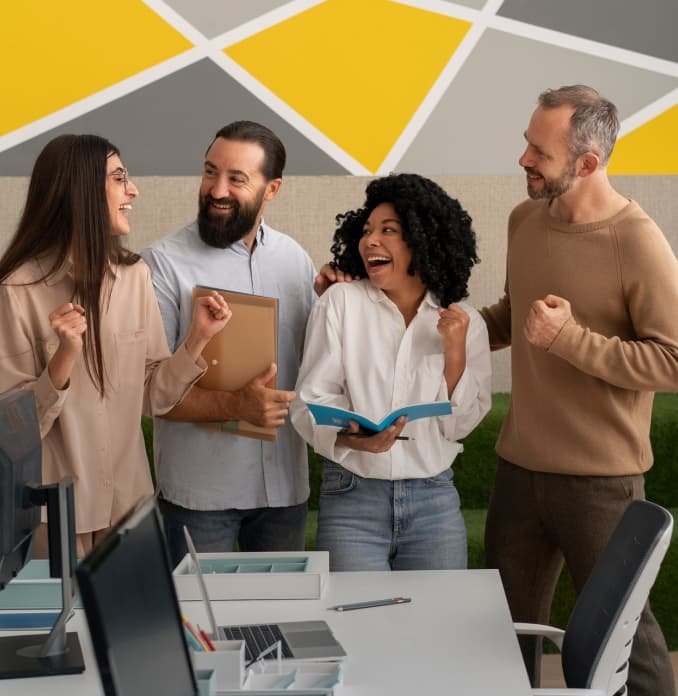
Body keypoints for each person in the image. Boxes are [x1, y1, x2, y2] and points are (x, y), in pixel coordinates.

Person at [480, 85, 678, 694]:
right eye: (527, 145)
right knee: (497, 638)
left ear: (587, 163)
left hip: (601, 483)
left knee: (629, 647)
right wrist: (451, 329)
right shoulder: (523, 220)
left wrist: (570, 339)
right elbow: (515, 315)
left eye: (539, 153)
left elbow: (672, 361)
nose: (524, 160)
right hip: (518, 472)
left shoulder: (636, 240)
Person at [0, 134, 231, 557]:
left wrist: (197, 338)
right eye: (119, 178)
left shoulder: (134, 276)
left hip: (130, 513)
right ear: (82, 189)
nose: (133, 190)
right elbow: (10, 430)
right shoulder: (15, 290)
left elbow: (151, 396)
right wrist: (63, 358)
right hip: (54, 520)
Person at [290, 173, 491, 571]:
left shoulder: (465, 322)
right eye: (367, 231)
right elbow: (308, 403)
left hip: (434, 500)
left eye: (388, 230)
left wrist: (455, 354)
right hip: (352, 497)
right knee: (354, 613)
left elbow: (460, 426)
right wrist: (355, 439)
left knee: (438, 612)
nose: (370, 241)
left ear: (423, 239)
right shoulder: (340, 303)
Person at [141, 121, 316, 568]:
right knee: (196, 614)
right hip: (200, 498)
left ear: (272, 189)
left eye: (236, 178)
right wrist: (237, 406)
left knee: (282, 612)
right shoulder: (162, 263)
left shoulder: (296, 261)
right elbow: (149, 392)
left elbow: (318, 366)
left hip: (284, 492)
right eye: (209, 172)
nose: (217, 190)